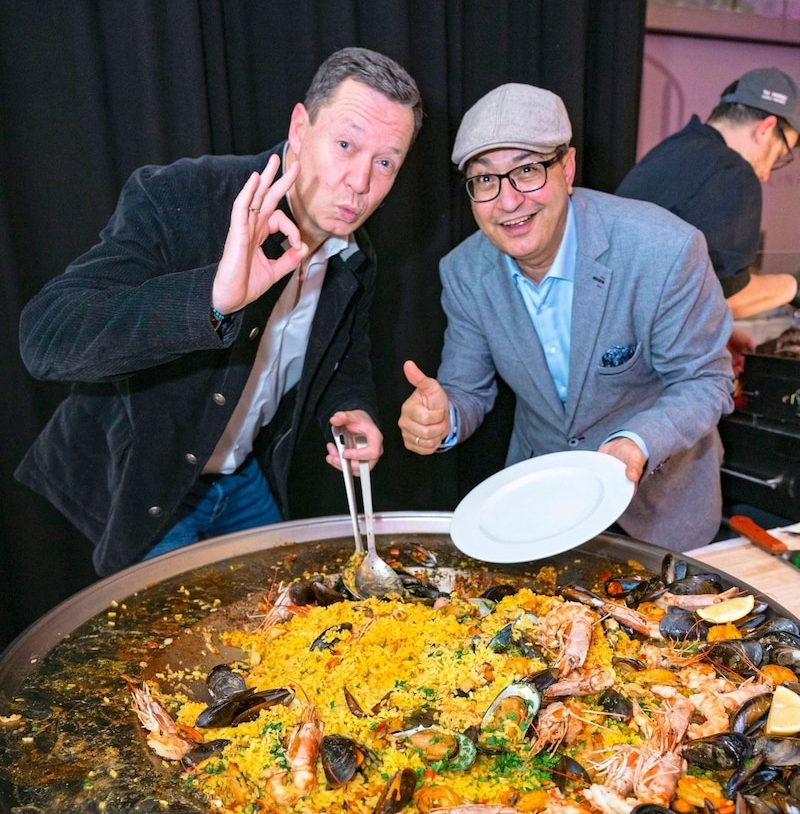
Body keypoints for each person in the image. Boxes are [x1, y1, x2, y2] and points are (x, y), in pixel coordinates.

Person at [16, 47, 422, 576]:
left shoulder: (354, 254)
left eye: (385, 161)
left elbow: (348, 356)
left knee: (285, 631)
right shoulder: (181, 195)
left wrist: (354, 411)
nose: (361, 182)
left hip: (244, 475)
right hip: (146, 484)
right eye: (346, 144)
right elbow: (46, 336)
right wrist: (213, 299)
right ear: (301, 127)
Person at [398, 82, 734, 553]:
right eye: (485, 180)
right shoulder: (464, 271)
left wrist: (636, 442)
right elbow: (468, 389)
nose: (508, 201)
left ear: (567, 168)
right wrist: (442, 418)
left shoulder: (664, 249)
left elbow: (706, 381)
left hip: (661, 510)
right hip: (544, 513)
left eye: (528, 170)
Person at [616, 67, 800, 320]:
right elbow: (724, 300)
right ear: (766, 129)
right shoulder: (733, 172)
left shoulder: (675, 147)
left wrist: (721, 336)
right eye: (780, 156)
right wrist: (794, 286)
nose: (767, 174)